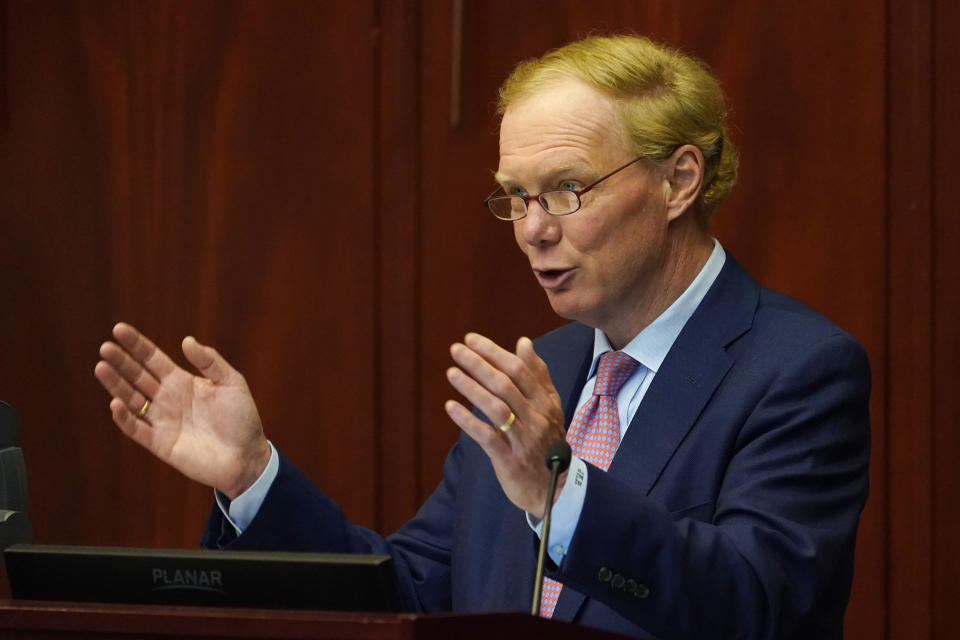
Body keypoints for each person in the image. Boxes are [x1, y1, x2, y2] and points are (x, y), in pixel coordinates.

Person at [94, 35, 870, 640]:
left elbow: (751, 609)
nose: (532, 230)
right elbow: (411, 594)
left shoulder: (798, 369)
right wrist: (252, 477)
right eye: (515, 197)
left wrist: (562, 495)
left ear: (679, 180)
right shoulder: (545, 370)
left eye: (568, 189)